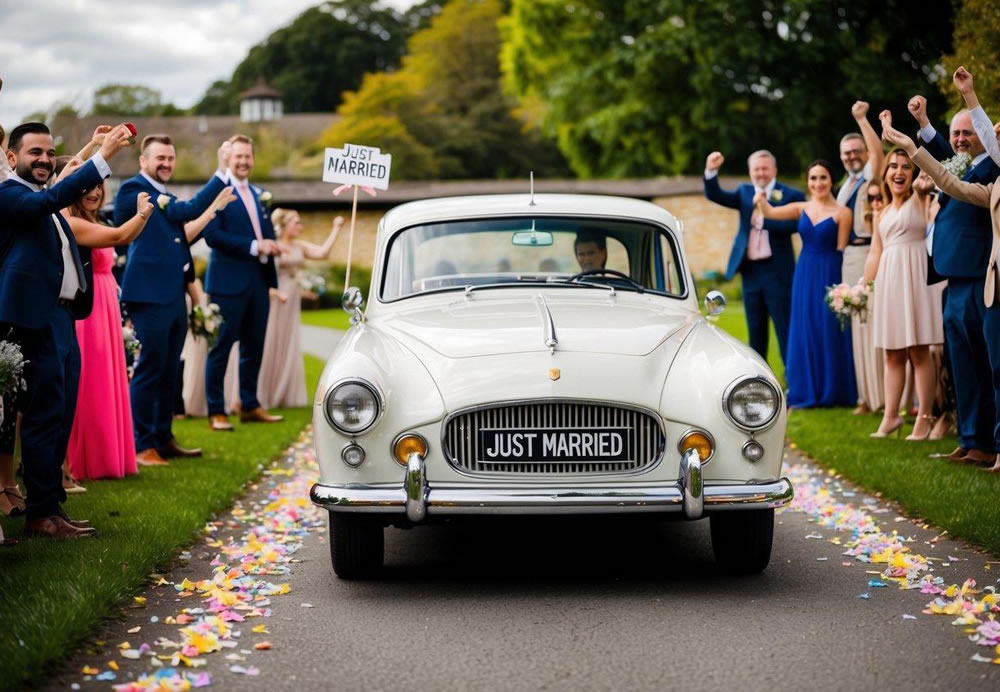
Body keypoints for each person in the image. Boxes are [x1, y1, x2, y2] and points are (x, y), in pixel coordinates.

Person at [0, 121, 132, 538]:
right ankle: (40, 514)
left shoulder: (41, 195)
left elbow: (62, 179)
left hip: (62, 316)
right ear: (10, 158)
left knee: (62, 413)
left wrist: (90, 146)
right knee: (43, 414)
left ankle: (52, 506)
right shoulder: (10, 195)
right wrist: (104, 154)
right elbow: (62, 191)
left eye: (48, 153)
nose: (43, 160)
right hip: (33, 319)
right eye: (34, 153)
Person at [884, 98, 1000, 470]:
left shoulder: (992, 169)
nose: (961, 139)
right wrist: (923, 121)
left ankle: (993, 443)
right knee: (963, 366)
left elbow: (946, 165)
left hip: (982, 277)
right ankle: (972, 440)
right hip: (952, 279)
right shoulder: (962, 165)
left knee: (989, 364)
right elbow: (944, 160)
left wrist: (965, 101)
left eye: (968, 132)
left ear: (983, 136)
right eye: (956, 134)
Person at [115, 134, 234, 466]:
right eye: (159, 158)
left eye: (170, 158)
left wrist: (192, 292)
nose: (166, 163)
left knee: (170, 369)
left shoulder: (164, 194)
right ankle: (141, 445)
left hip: (172, 293)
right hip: (147, 294)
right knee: (150, 369)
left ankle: (163, 438)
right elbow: (188, 209)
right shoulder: (134, 191)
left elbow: (180, 240)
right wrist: (221, 171)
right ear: (143, 161)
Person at [62, 159, 153, 480]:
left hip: (107, 306)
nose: (95, 192)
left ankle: (111, 455)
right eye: (87, 186)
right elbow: (119, 237)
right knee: (92, 383)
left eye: (99, 185)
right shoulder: (71, 220)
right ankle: (85, 459)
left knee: (108, 379)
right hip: (88, 313)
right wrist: (142, 212)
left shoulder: (92, 218)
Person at [755, 160, 856, 407]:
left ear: (831, 180)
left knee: (828, 327)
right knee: (805, 327)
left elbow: (842, 250)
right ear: (808, 182)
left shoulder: (844, 213)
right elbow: (769, 213)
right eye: (813, 178)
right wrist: (760, 195)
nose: (818, 183)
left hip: (830, 271)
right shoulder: (801, 208)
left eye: (822, 177)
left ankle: (833, 389)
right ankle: (804, 388)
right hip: (805, 273)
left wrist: (842, 287)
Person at [861, 137, 943, 439]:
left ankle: (924, 416)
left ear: (913, 174)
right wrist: (863, 286)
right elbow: (875, 253)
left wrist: (924, 192)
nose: (899, 171)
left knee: (919, 350)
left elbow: (930, 216)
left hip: (915, 278)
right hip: (889, 281)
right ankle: (890, 416)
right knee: (891, 353)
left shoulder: (921, 199)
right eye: (893, 166)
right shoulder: (881, 213)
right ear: (885, 175)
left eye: (906, 167)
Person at [203, 135, 283, 431]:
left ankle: (249, 404)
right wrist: (254, 246)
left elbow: (265, 235)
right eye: (238, 157)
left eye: (247, 157)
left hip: (258, 282)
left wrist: (271, 246)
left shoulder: (261, 194)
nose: (243, 162)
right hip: (227, 283)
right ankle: (216, 410)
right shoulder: (218, 192)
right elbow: (212, 237)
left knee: (254, 346)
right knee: (221, 347)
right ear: (228, 158)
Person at [704, 150, 805, 363]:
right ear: (750, 172)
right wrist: (711, 171)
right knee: (756, 331)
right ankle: (758, 383)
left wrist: (765, 222)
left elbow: (796, 225)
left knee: (784, 329)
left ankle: (791, 385)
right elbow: (716, 195)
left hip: (777, 270)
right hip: (750, 271)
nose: (761, 173)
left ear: (774, 170)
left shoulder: (790, 195)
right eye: (756, 169)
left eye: (765, 168)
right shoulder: (744, 192)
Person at [256, 210, 342, 409]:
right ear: (285, 225)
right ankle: (263, 395)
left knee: (288, 342)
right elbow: (261, 277)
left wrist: (336, 229)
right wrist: (276, 294)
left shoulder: (299, 246)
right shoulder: (272, 245)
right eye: (296, 222)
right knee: (270, 342)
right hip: (275, 299)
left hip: (292, 300)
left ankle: (285, 394)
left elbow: (322, 253)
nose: (300, 226)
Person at [839, 102, 886, 415]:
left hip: (872, 249)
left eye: (856, 151)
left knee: (876, 325)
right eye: (846, 153)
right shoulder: (844, 187)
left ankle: (882, 396)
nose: (852, 156)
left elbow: (878, 153)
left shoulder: (871, 177)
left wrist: (861, 119)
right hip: (850, 256)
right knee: (858, 325)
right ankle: (865, 396)